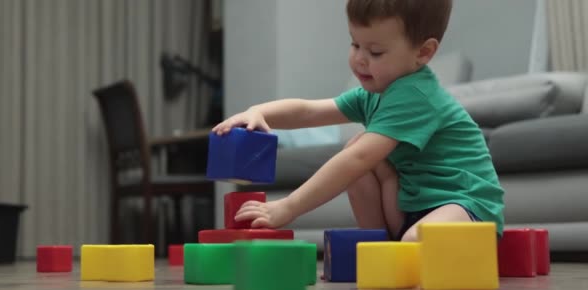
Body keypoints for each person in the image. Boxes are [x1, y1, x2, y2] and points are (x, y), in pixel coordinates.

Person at [212, 0, 504, 241]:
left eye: (375, 52)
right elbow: (309, 111)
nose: (360, 59)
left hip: (466, 206)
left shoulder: (415, 94)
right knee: (358, 145)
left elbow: (358, 158)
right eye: (355, 45)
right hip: (411, 206)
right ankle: (377, 243)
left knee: (362, 156)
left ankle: (393, 247)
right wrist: (259, 112)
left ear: (423, 53)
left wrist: (288, 207)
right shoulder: (375, 92)